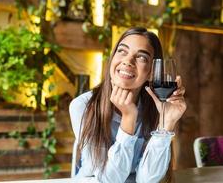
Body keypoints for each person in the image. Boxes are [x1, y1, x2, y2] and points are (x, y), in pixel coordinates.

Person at [69, 27, 186, 183]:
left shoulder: (155, 107)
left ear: (152, 72)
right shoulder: (82, 106)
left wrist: (167, 122)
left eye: (141, 57)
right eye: (122, 51)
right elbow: (109, 181)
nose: (128, 61)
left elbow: (148, 180)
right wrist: (128, 119)